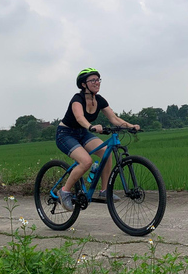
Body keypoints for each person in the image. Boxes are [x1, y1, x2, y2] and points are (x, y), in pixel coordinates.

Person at [55, 68, 140, 210]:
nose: (97, 82)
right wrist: (91, 127)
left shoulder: (99, 100)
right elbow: (79, 117)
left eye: (98, 79)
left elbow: (114, 118)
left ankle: (104, 191)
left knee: (106, 151)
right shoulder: (78, 99)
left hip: (82, 133)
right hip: (66, 134)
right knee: (86, 161)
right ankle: (64, 191)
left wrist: (131, 126)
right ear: (84, 84)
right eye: (92, 80)